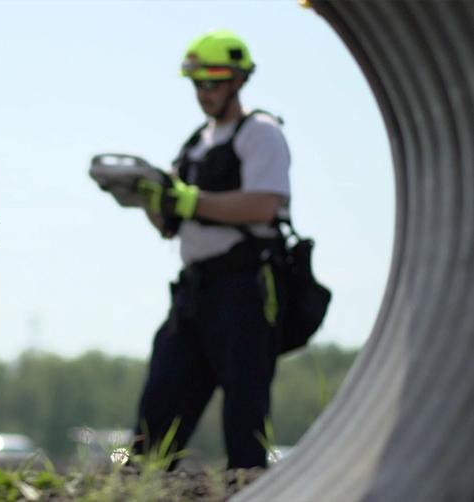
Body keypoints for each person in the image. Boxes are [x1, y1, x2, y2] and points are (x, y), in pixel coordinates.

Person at [131, 29, 291, 470]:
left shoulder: (260, 132)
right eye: (198, 83)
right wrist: (147, 198)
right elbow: (170, 225)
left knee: (244, 420)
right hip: (193, 297)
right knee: (154, 414)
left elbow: (265, 202)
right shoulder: (195, 144)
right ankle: (127, 475)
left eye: (214, 82)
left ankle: (249, 483)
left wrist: (189, 200)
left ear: (238, 81)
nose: (204, 92)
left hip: (243, 294)